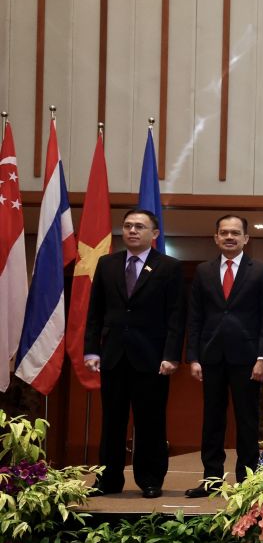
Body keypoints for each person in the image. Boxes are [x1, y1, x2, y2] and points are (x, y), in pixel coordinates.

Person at [84, 209, 185, 498]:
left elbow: (176, 315)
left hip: (153, 358)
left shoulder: (169, 267)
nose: (132, 231)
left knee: (150, 422)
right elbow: (96, 312)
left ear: (154, 234)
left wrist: (171, 355)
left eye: (139, 226)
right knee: (112, 421)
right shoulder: (107, 264)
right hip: (113, 355)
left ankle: (150, 480)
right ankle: (108, 480)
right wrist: (91, 349)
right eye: (127, 226)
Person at [185, 215, 263, 496]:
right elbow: (195, 316)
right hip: (211, 356)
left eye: (235, 233)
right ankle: (211, 479)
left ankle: (247, 480)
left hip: (247, 357)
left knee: (247, 420)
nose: (230, 237)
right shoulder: (203, 271)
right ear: (216, 238)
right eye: (224, 233)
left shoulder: (260, 270)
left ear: (246, 238)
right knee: (212, 419)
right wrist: (193, 357)